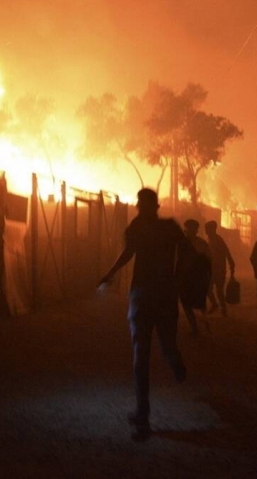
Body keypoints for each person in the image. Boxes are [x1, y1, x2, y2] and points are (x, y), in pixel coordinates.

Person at [99, 188, 191, 442]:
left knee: (142, 355)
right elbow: (186, 252)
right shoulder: (169, 228)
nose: (140, 207)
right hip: (162, 296)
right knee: (162, 347)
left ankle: (143, 414)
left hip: (143, 296)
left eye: (141, 203)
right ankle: (172, 366)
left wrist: (110, 273)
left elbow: (128, 254)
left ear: (143, 205)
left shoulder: (138, 227)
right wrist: (178, 278)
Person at [180, 219, 211, 335]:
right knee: (188, 303)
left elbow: (208, 260)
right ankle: (197, 326)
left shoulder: (199, 244)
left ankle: (199, 326)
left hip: (196, 278)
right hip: (188, 278)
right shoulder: (184, 243)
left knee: (193, 303)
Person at [204, 220, 236, 316]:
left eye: (207, 229)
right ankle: (215, 305)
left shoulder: (218, 240)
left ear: (212, 229)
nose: (206, 231)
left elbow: (227, 253)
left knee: (219, 291)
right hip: (212, 270)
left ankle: (222, 308)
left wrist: (231, 265)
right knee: (208, 289)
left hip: (219, 270)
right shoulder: (209, 240)